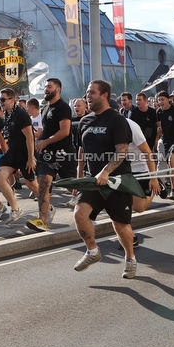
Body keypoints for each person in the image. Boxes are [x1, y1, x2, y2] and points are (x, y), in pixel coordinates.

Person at [71, 80, 137, 278]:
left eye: (92, 92)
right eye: (87, 93)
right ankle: (93, 251)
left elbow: (122, 151)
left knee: (120, 225)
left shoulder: (117, 120)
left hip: (117, 181)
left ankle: (130, 258)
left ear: (104, 95)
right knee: (79, 215)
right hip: (93, 182)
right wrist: (79, 178)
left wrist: (106, 171)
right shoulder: (84, 122)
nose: (87, 96)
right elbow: (81, 152)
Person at [27, 78, 73, 232]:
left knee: (72, 187)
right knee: (43, 183)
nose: (46, 89)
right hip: (46, 156)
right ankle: (42, 220)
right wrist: (36, 146)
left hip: (63, 154)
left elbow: (65, 131)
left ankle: (92, 205)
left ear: (58, 89)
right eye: (45, 86)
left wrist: (46, 142)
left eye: (49, 86)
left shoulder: (63, 107)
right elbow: (44, 131)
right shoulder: (45, 108)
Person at [0, 87, 36, 224]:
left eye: (2, 99)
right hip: (13, 152)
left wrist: (30, 159)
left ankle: (48, 207)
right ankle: (16, 209)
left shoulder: (21, 114)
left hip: (24, 153)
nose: (0, 102)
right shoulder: (7, 114)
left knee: (32, 185)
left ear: (12, 100)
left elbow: (30, 138)